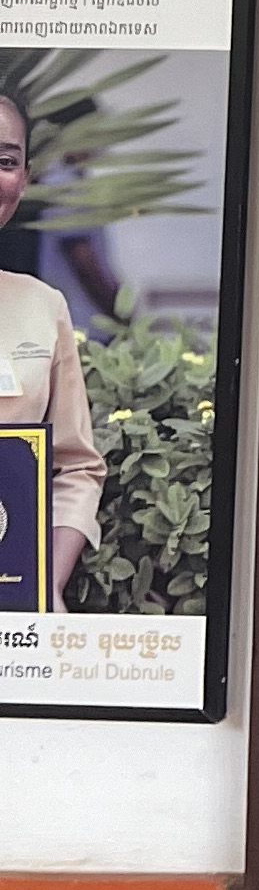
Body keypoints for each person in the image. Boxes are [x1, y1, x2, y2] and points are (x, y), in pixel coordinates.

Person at [0, 88, 107, 605]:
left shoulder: (43, 306)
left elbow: (77, 467)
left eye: (5, 160)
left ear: (24, 176)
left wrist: (45, 583)